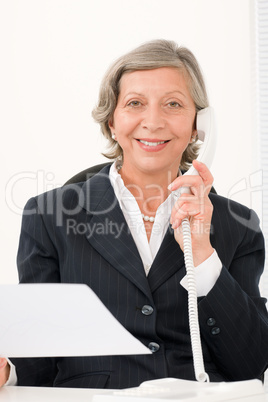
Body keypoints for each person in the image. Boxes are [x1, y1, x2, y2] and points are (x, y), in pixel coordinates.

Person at [1, 39, 267, 389]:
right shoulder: (49, 217)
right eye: (135, 104)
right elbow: (36, 359)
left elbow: (251, 363)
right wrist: (9, 370)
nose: (153, 122)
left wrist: (202, 253)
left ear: (197, 125)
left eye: (173, 104)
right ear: (112, 121)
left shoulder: (237, 225)